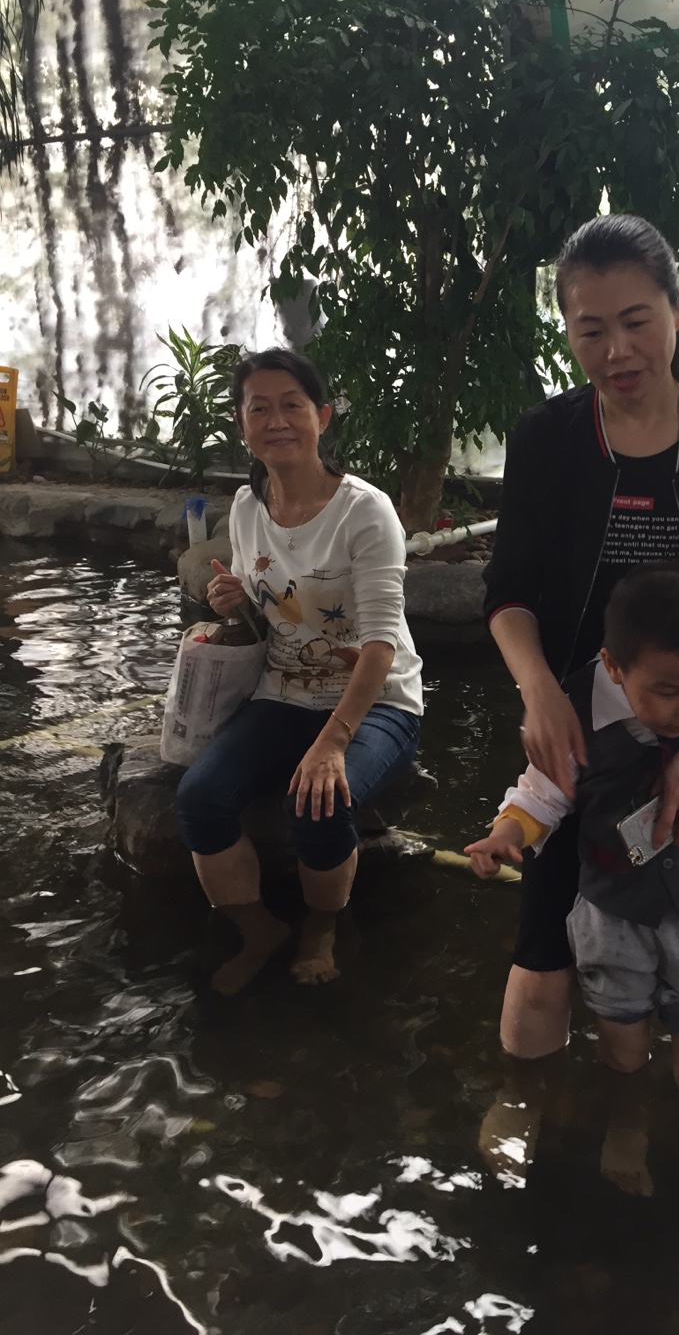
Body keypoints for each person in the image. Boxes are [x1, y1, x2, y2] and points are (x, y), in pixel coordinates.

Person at [482, 214, 679, 1064]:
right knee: (544, 945)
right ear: (569, 333)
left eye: (637, 321)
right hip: (583, 715)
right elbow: (509, 592)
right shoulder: (547, 438)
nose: (616, 350)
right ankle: (528, 1099)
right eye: (591, 330)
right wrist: (541, 692)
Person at [467, 565, 679, 1237]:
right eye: (668, 692)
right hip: (612, 918)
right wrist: (507, 833)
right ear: (615, 668)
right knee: (621, 1048)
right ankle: (626, 1126)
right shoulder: (580, 707)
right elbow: (542, 794)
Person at [175, 349, 423, 995]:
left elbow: (381, 644)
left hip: (377, 700)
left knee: (317, 803)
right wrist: (233, 601)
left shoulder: (364, 512)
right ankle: (258, 929)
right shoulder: (246, 506)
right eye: (259, 408)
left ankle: (321, 926)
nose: (276, 420)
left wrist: (333, 742)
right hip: (282, 690)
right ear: (242, 423)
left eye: (292, 405)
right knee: (200, 798)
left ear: (323, 416)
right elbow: (268, 616)